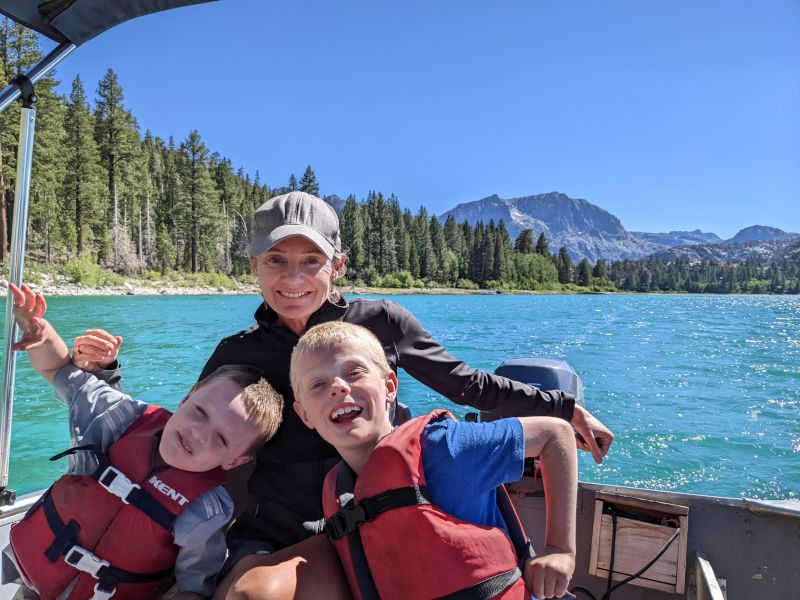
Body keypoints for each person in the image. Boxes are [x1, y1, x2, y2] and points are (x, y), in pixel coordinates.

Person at [77, 191, 613, 600]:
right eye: (275, 261)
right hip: (277, 528)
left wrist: (561, 407)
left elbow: (467, 384)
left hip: (388, 512)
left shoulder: (381, 323)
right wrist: (104, 379)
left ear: (338, 265)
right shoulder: (236, 352)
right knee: (249, 594)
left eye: (311, 260)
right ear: (253, 267)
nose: (294, 278)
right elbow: (187, 433)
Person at [2, 283, 284, 600]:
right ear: (188, 396)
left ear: (235, 461)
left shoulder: (206, 512)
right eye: (200, 411)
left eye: (220, 438)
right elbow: (57, 368)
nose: (198, 433)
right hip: (33, 582)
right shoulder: (118, 419)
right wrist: (40, 334)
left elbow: (193, 585)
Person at [290, 321, 578, 599]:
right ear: (305, 415)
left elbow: (555, 435)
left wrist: (560, 550)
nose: (338, 387)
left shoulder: (444, 446)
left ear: (390, 387)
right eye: (318, 384)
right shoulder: (340, 493)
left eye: (354, 373)